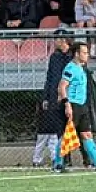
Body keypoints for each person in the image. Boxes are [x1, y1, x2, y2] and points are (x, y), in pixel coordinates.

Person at [59, 41, 96, 172]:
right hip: (73, 106)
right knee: (67, 135)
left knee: (86, 134)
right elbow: (62, 87)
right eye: (85, 53)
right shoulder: (70, 68)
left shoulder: (82, 69)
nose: (87, 55)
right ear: (77, 54)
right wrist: (67, 105)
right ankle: (57, 164)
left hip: (82, 106)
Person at [35, 32, 74, 171]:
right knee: (60, 129)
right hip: (55, 97)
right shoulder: (54, 57)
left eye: (56, 39)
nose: (54, 41)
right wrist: (46, 97)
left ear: (63, 40)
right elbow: (50, 77)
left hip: (70, 95)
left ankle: (86, 158)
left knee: (75, 127)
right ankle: (64, 158)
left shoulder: (73, 56)